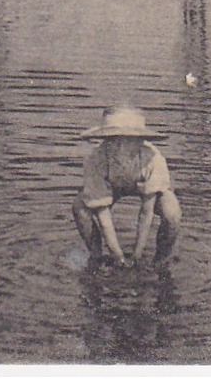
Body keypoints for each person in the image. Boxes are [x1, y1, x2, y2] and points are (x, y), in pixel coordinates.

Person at [72, 105, 181, 266]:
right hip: (111, 186)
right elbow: (103, 215)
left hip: (144, 188)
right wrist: (118, 256)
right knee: (79, 207)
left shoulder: (153, 158)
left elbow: (146, 211)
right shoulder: (96, 158)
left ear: (140, 140)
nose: (120, 146)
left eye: (128, 139)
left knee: (172, 211)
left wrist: (137, 254)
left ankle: (160, 260)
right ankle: (96, 256)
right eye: (113, 139)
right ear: (105, 139)